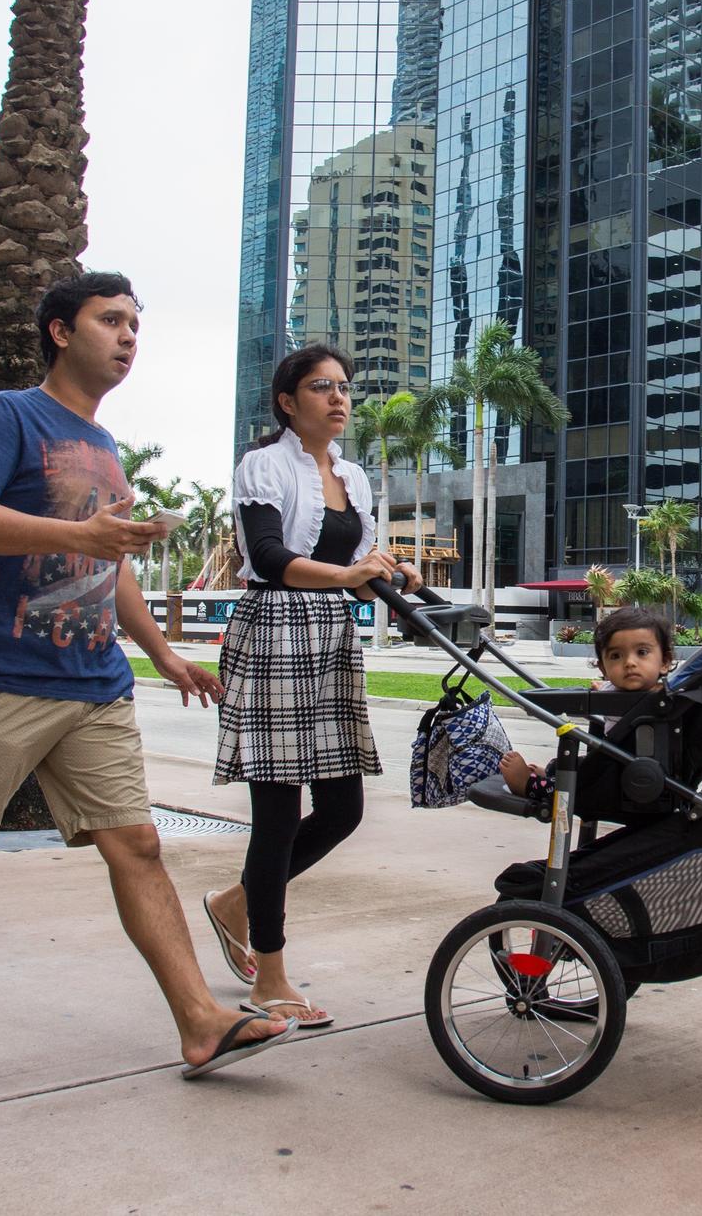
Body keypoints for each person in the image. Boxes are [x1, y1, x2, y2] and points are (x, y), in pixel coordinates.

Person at [0, 271, 294, 1080]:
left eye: (136, 323)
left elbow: (111, 565)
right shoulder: (9, 416)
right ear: (61, 331)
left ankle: (200, 1020)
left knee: (137, 843)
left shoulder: (103, 447)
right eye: (111, 320)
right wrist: (80, 535)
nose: (129, 336)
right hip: (7, 674)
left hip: (95, 682)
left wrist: (161, 651)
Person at [204, 343, 420, 1029]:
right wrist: (352, 578)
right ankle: (269, 975)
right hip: (274, 630)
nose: (338, 397)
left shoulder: (352, 476)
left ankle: (236, 901)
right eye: (321, 386)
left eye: (344, 387)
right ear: (288, 401)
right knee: (275, 814)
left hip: (331, 637)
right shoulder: (262, 465)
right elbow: (267, 556)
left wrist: (409, 584)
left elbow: (364, 565)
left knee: (343, 806)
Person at [499, 607, 674, 803]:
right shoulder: (622, 690)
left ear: (664, 662)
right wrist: (604, 688)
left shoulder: (660, 697)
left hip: (628, 775)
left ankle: (534, 787)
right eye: (616, 656)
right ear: (603, 668)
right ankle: (554, 773)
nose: (629, 663)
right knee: (579, 763)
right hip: (611, 759)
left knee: (586, 775)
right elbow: (612, 689)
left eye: (642, 652)